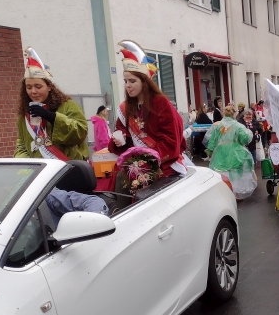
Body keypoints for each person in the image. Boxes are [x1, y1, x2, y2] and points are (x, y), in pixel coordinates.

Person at [110, 40, 187, 178]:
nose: (127, 85)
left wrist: (148, 162)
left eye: (132, 81)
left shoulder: (160, 102)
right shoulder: (125, 107)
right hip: (137, 164)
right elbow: (122, 131)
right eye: (125, 81)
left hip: (164, 165)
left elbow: (170, 139)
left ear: (145, 83)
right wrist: (120, 139)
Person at [14, 47, 89, 161]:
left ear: (49, 86)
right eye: (28, 87)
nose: (33, 91)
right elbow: (22, 145)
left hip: (68, 166)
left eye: (38, 87)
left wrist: (52, 117)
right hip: (42, 170)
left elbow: (80, 133)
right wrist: (28, 164)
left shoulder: (68, 106)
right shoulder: (24, 114)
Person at [205, 104, 257, 199]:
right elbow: (245, 139)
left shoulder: (217, 125)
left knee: (222, 172)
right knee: (235, 172)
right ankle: (235, 193)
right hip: (235, 152)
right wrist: (249, 134)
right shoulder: (238, 125)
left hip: (220, 152)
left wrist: (210, 152)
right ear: (234, 114)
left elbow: (212, 141)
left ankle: (224, 192)